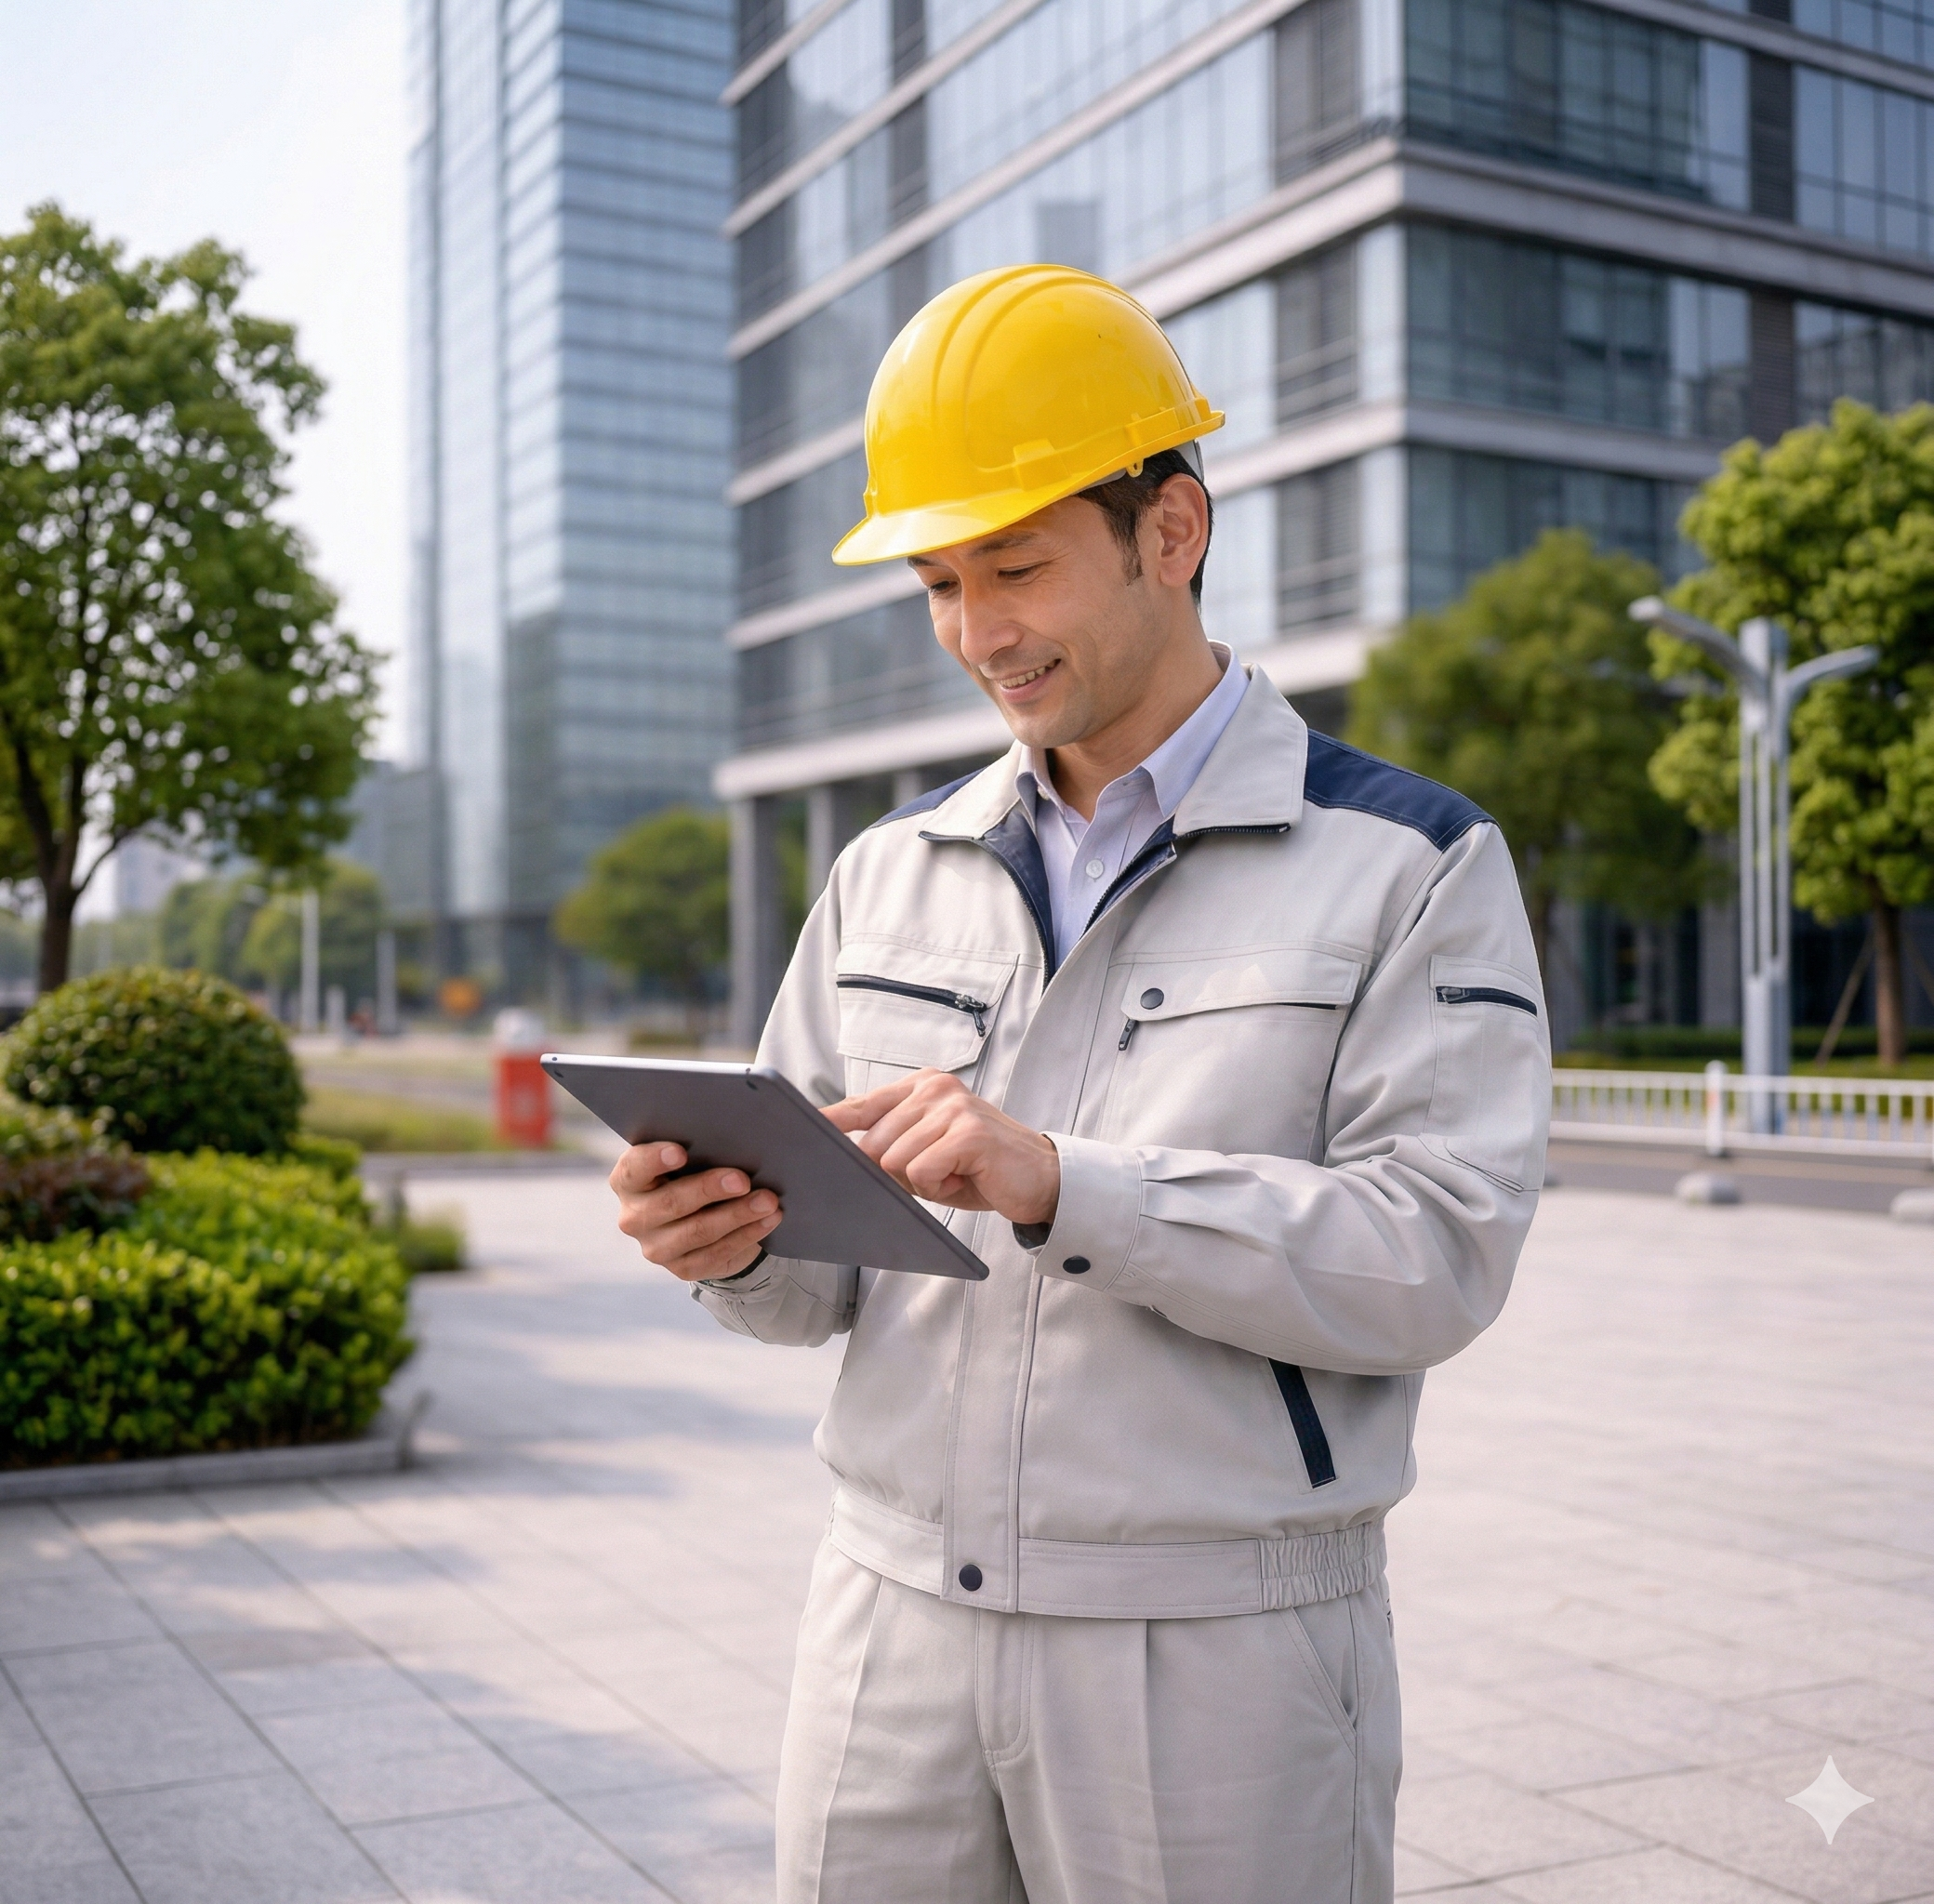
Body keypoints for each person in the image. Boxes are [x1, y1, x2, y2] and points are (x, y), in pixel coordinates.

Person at [611, 264, 1551, 1904]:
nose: (980, 634)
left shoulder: (1408, 865)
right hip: (888, 1621)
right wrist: (731, 1243)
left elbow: (1436, 1254)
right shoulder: (891, 871)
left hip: (1214, 1643)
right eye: (940, 583)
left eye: (1019, 568)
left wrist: (1064, 1181)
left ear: (1169, 533)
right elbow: (816, 1287)